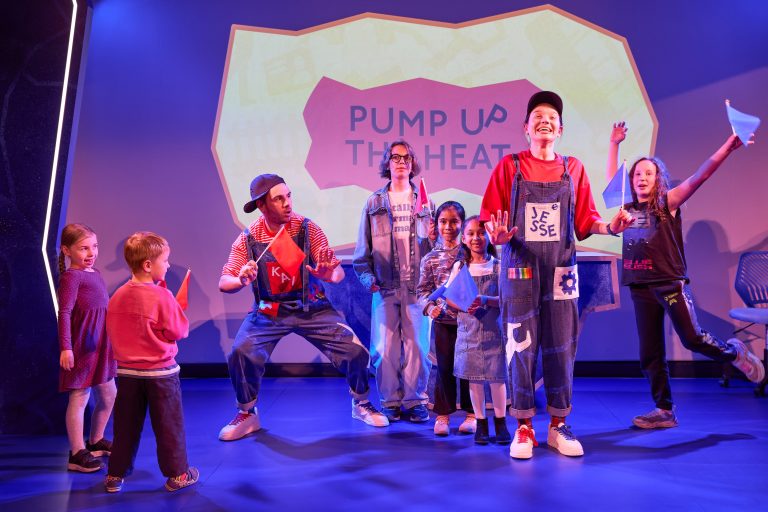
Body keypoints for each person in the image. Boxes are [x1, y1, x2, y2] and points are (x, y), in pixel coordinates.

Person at [481, 91, 634, 459]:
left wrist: (610, 227)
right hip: (519, 269)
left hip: (562, 271)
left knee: (562, 346)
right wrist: (495, 235)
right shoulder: (509, 166)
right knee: (519, 346)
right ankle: (523, 426)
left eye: (551, 116)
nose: (544, 120)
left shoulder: (573, 168)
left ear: (560, 129)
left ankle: (557, 425)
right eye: (537, 116)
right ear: (526, 129)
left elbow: (586, 222)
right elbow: (491, 218)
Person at [608, 122, 765, 428]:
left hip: (669, 283)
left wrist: (726, 148)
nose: (641, 178)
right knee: (649, 354)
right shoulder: (624, 209)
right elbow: (612, 179)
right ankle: (664, 411)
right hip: (640, 287)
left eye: (648, 174)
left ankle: (735, 354)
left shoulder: (668, 204)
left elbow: (700, 175)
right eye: (637, 174)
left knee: (693, 339)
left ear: (658, 180)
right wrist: (614, 144)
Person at [218, 173, 388, 441]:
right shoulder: (249, 238)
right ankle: (247, 413)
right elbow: (224, 282)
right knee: (241, 352)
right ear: (262, 205)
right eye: (279, 199)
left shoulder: (307, 229)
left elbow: (337, 275)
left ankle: (361, 403)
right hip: (269, 311)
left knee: (355, 350)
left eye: (289, 196)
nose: (287, 203)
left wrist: (328, 274)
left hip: (313, 308)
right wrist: (240, 278)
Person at [104, 232, 198, 493]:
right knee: (169, 426)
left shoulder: (118, 296)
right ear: (148, 264)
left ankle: (114, 475)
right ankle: (178, 475)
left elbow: (113, 331)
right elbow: (180, 331)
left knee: (125, 426)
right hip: (161, 374)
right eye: (165, 260)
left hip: (127, 374)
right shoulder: (162, 296)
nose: (168, 265)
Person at [353, 140, 433, 423]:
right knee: (384, 348)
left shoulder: (424, 201)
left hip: (418, 286)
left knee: (418, 348)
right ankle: (390, 400)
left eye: (406, 157)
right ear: (387, 163)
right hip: (385, 285)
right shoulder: (374, 202)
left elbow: (433, 247)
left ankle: (414, 401)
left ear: (412, 164)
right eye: (395, 157)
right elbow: (362, 251)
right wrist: (367, 277)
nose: (401, 161)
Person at [57, 223, 116, 473]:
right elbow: (66, 312)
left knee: (109, 394)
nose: (91, 252)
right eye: (84, 248)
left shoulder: (95, 273)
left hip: (101, 345)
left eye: (94, 246)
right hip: (83, 345)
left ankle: (95, 440)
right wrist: (66, 347)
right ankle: (76, 451)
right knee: (80, 397)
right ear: (66, 250)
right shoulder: (72, 276)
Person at [417, 201, 476, 436]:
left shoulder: (471, 254)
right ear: (436, 224)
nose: (448, 227)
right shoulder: (430, 259)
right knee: (444, 368)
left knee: (470, 369)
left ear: (462, 224)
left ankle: (472, 414)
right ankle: (443, 415)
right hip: (443, 323)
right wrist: (429, 307)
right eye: (443, 221)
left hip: (470, 324)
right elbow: (421, 292)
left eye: (454, 221)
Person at [450, 216, 510, 445]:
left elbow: (507, 298)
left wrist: (485, 299)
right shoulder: (460, 267)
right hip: (469, 331)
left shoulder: (498, 265)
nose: (476, 238)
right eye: (471, 234)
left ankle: (501, 422)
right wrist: (465, 303)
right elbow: (451, 298)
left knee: (497, 378)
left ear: (489, 236)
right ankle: (481, 423)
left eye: (481, 233)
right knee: (474, 380)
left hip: (494, 331)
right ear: (464, 239)